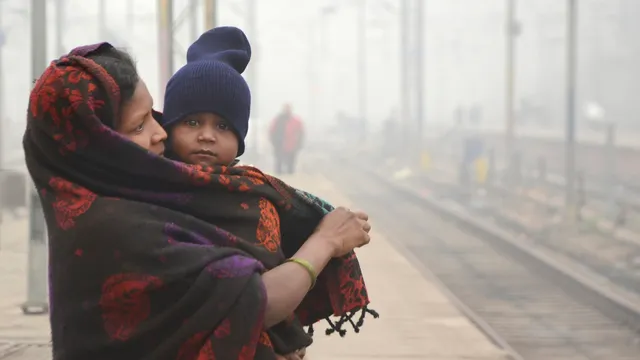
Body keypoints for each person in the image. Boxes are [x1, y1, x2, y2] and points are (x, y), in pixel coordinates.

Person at [24, 39, 376, 360]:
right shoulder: (115, 225)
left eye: (154, 116)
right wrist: (325, 241)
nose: (160, 132)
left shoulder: (154, 188)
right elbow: (253, 300)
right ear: (100, 145)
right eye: (139, 126)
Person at [269, 104, 304, 175]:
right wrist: (274, 142)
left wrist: (299, 143)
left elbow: (301, 133)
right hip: (279, 144)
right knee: (279, 162)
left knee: (291, 162)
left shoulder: (296, 121)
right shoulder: (278, 120)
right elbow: (272, 132)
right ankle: (279, 176)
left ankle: (290, 175)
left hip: (292, 144)